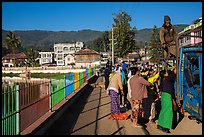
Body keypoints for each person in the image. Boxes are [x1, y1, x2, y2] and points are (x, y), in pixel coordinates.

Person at [157, 67, 177, 133]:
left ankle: (160, 124)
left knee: (164, 110)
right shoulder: (168, 78)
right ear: (165, 74)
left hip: (164, 95)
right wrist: (174, 71)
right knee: (168, 111)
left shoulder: (163, 79)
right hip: (168, 95)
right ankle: (165, 126)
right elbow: (173, 75)